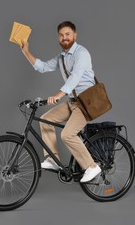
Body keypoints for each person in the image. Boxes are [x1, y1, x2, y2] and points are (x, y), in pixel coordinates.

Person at [20, 21, 101, 183]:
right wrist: (26, 51)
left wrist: (57, 95)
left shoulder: (82, 53)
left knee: (67, 134)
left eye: (68, 34)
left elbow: (75, 78)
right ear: (58, 37)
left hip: (87, 102)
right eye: (61, 35)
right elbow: (42, 67)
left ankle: (92, 167)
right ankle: (52, 159)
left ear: (74, 36)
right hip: (73, 102)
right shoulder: (62, 58)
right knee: (45, 120)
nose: (64, 38)